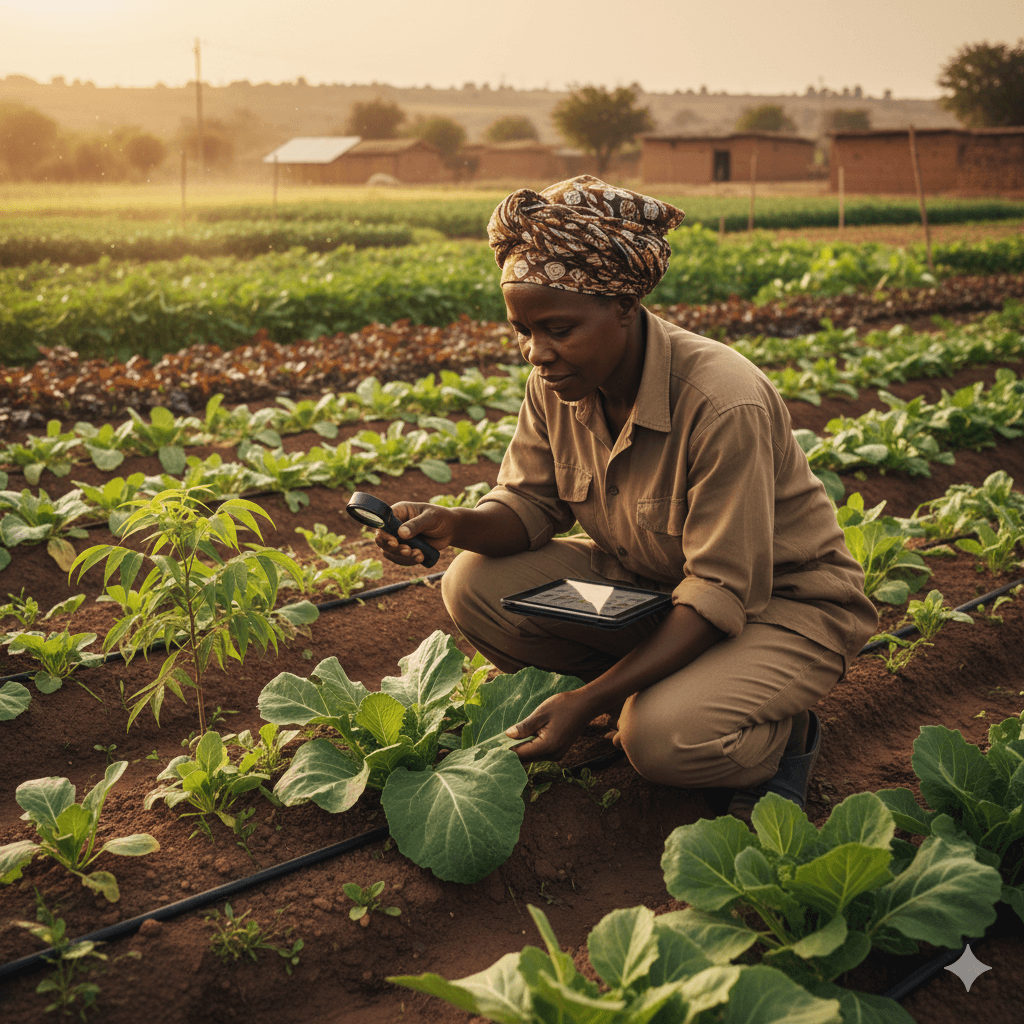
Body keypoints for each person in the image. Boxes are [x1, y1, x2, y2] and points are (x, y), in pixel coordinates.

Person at [372, 175, 878, 826]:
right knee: (473, 582)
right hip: (657, 591)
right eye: (522, 331)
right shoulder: (556, 383)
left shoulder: (723, 401)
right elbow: (525, 507)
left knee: (660, 741)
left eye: (557, 328)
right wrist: (450, 524)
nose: (538, 353)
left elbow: (720, 591)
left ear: (623, 306)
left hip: (779, 610)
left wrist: (589, 699)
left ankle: (785, 740)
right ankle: (660, 687)